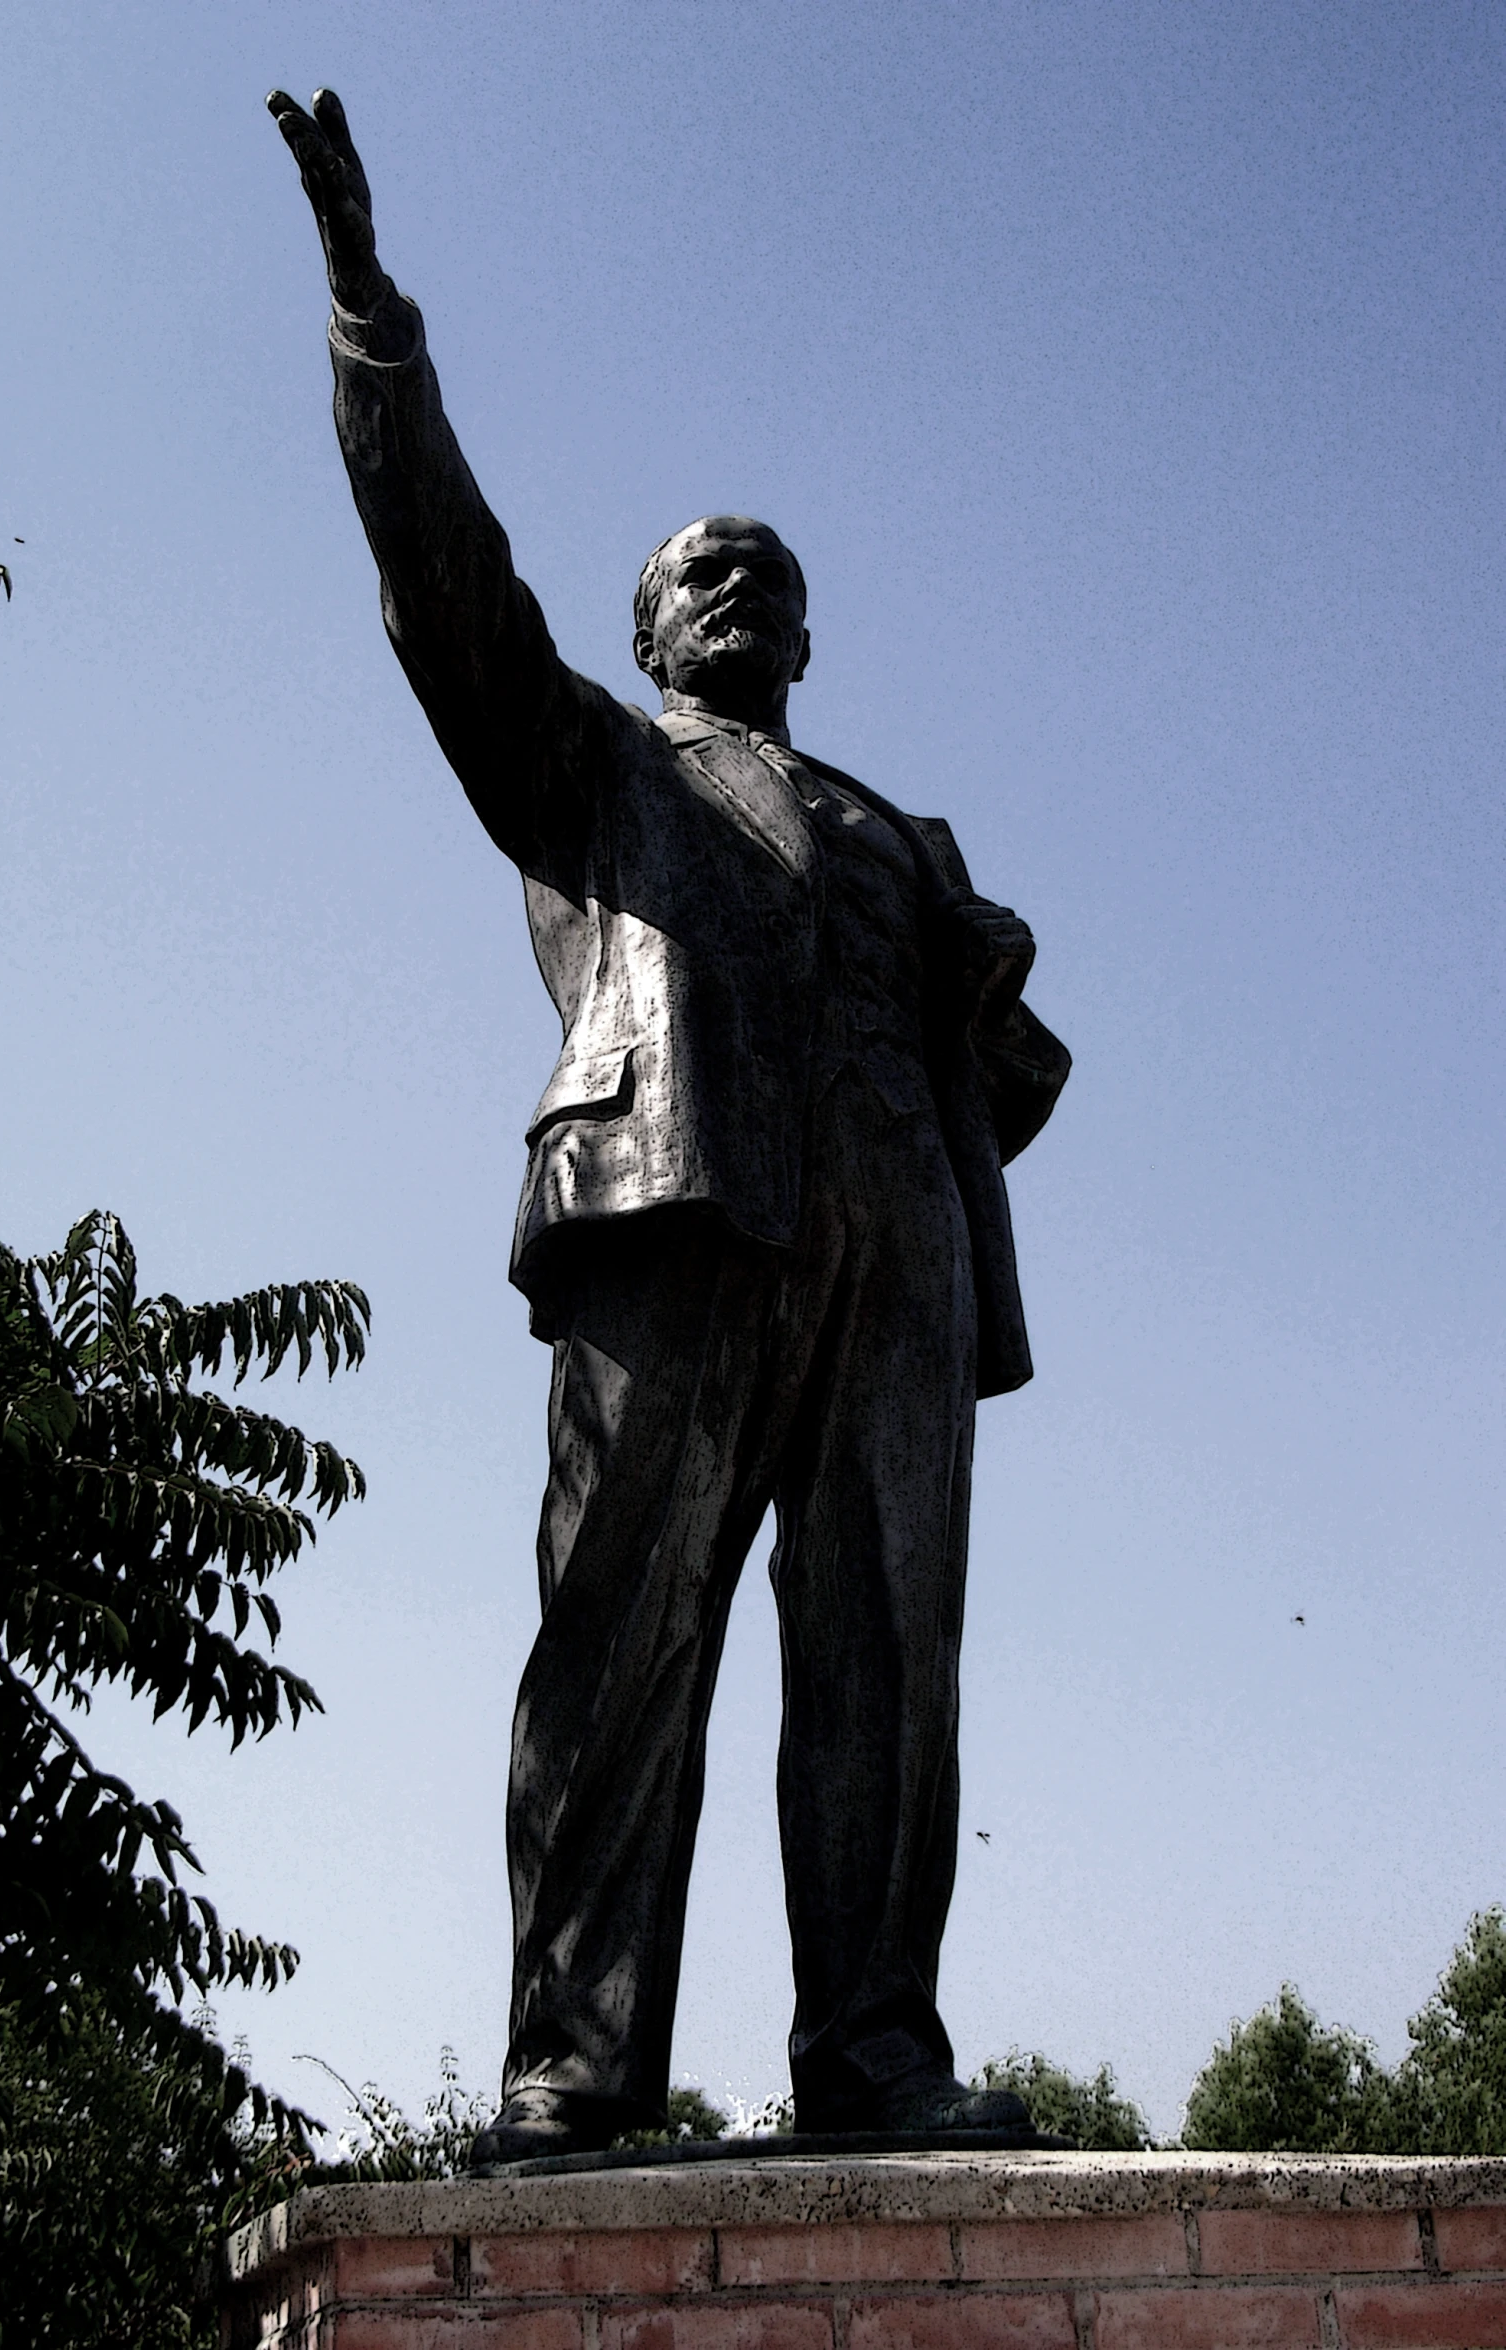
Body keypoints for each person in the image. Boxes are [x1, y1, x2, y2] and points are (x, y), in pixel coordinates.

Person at [268, 88, 1071, 2166]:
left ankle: (878, 2052)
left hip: (896, 1240)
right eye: (697, 571)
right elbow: (451, 588)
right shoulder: (598, 765)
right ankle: (579, 2060)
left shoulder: (907, 831)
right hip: (671, 1203)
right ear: (648, 636)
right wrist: (372, 321)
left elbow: (1013, 1062)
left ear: (807, 636)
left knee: (891, 1662)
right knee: (622, 1637)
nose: (733, 584)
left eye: (765, 575)